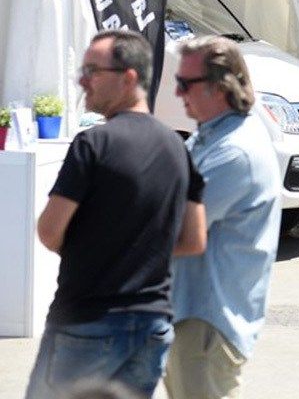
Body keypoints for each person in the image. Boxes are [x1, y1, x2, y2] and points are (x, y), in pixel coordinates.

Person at [27, 30, 207, 399]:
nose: (81, 80)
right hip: (152, 326)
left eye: (93, 71)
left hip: (87, 322)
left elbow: (48, 231)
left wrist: (99, 250)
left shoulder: (93, 143)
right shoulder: (178, 147)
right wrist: (138, 250)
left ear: (128, 78)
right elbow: (193, 240)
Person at [165, 36, 280, 399]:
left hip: (205, 323)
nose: (178, 93)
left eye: (185, 84)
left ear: (220, 86)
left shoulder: (234, 153)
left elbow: (172, 229)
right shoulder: (210, 139)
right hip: (193, 317)